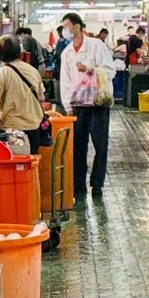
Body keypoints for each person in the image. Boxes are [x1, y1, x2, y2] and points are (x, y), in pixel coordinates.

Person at [58, 11, 114, 199]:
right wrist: (67, 106)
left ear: (77, 26)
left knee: (100, 144)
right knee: (78, 145)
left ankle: (97, 184)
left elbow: (110, 70)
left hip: (98, 103)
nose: (65, 30)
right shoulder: (67, 53)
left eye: (67, 26)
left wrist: (90, 70)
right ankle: (78, 184)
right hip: (78, 105)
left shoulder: (96, 45)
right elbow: (65, 81)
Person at [0, 35, 49, 150]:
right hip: (34, 127)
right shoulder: (32, 70)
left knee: (15, 165)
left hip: (13, 130)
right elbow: (41, 98)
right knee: (31, 164)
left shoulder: (2, 73)